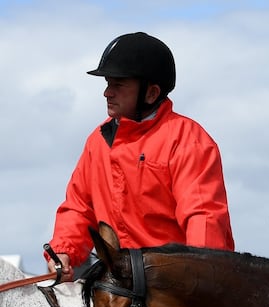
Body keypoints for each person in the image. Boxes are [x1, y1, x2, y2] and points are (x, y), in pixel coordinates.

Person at [46, 32, 234, 281]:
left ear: (151, 93)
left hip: (173, 286)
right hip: (116, 286)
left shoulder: (188, 140)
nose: (107, 93)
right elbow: (79, 207)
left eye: (118, 85)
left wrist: (197, 279)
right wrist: (64, 252)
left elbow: (204, 219)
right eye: (107, 84)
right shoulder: (97, 141)